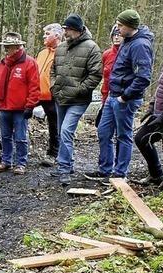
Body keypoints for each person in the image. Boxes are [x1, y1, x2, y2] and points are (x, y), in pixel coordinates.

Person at [90, 9, 154, 182]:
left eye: (120, 25)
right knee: (103, 132)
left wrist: (125, 96)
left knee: (123, 135)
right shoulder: (127, 41)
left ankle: (120, 174)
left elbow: (143, 77)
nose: (117, 29)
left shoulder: (140, 45)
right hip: (113, 96)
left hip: (125, 99)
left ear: (129, 25)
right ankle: (105, 170)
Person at [50, 14, 102, 186]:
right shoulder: (61, 47)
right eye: (65, 29)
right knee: (60, 132)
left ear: (78, 30)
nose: (66, 33)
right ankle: (67, 163)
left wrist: (80, 89)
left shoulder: (92, 47)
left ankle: (64, 168)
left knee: (66, 131)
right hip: (61, 97)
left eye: (69, 30)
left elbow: (96, 74)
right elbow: (53, 70)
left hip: (79, 100)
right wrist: (53, 86)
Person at [134, 23, 163, 187]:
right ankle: (156, 175)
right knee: (141, 139)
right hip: (160, 112)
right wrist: (151, 107)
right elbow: (162, 86)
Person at [0, 32, 40, 175]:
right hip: (4, 107)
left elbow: (34, 87)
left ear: (18, 47)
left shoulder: (29, 63)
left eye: (9, 47)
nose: (6, 49)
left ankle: (21, 163)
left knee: (20, 137)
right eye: (5, 46)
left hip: (20, 108)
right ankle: (6, 161)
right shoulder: (2, 63)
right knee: (4, 136)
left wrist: (30, 105)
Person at [36, 23, 63, 165]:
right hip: (36, 93)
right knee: (19, 112)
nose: (44, 36)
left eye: (47, 34)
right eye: (44, 34)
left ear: (57, 36)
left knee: (54, 125)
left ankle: (53, 153)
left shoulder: (63, 52)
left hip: (53, 96)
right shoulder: (42, 53)